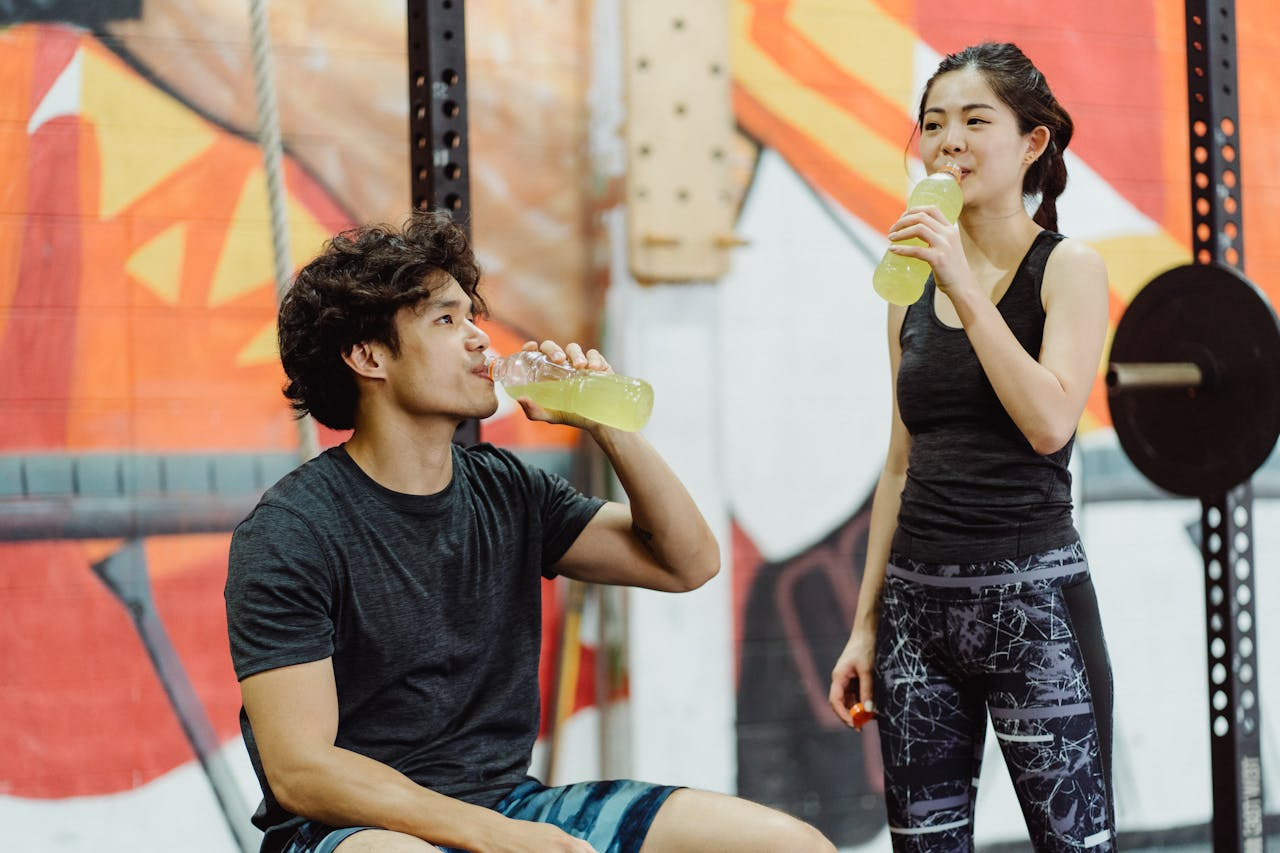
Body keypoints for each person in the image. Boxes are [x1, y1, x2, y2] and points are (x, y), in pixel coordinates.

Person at [225, 210, 836, 853]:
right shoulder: (291, 534)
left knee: (790, 846)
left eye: (471, 316)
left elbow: (687, 562)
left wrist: (607, 422)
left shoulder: (508, 490)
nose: (479, 340)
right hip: (352, 831)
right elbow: (301, 771)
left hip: (508, 803)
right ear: (368, 356)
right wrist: (499, 839)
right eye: (445, 320)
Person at [827, 43, 1115, 851]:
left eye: (975, 120)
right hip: (918, 616)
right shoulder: (909, 286)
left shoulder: (1069, 269)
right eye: (933, 123)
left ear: (1032, 143)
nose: (948, 141)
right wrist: (864, 625)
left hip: (1034, 608)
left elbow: (1049, 422)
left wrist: (962, 282)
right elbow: (899, 463)